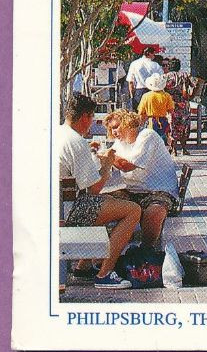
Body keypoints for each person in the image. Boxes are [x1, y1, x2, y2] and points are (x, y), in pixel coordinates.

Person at [57, 93, 140, 289]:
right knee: (132, 210)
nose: (92, 122)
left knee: (110, 202)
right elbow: (94, 189)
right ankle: (105, 274)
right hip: (68, 213)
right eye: (92, 117)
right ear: (85, 116)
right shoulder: (76, 142)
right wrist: (108, 164)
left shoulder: (59, 133)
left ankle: (82, 267)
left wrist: (89, 151)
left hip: (56, 206)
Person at [104, 108, 181, 250]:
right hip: (134, 191)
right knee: (100, 203)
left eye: (116, 127)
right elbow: (112, 162)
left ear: (127, 123)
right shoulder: (120, 142)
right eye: (111, 129)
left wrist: (105, 155)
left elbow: (126, 166)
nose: (114, 132)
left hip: (159, 190)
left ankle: (146, 251)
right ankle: (106, 252)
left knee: (153, 212)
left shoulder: (147, 136)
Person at [136, 74, 174, 146]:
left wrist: (140, 123)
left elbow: (141, 112)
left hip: (151, 121)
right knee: (162, 142)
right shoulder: (167, 95)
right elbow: (170, 111)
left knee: (151, 142)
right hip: (163, 121)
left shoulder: (146, 96)